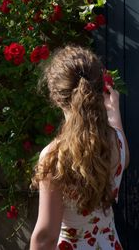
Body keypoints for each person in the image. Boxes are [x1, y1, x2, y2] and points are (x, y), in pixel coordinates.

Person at [30, 44, 129, 250]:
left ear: (56, 98)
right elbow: (124, 159)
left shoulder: (55, 156)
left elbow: (46, 236)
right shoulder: (116, 140)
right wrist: (114, 114)